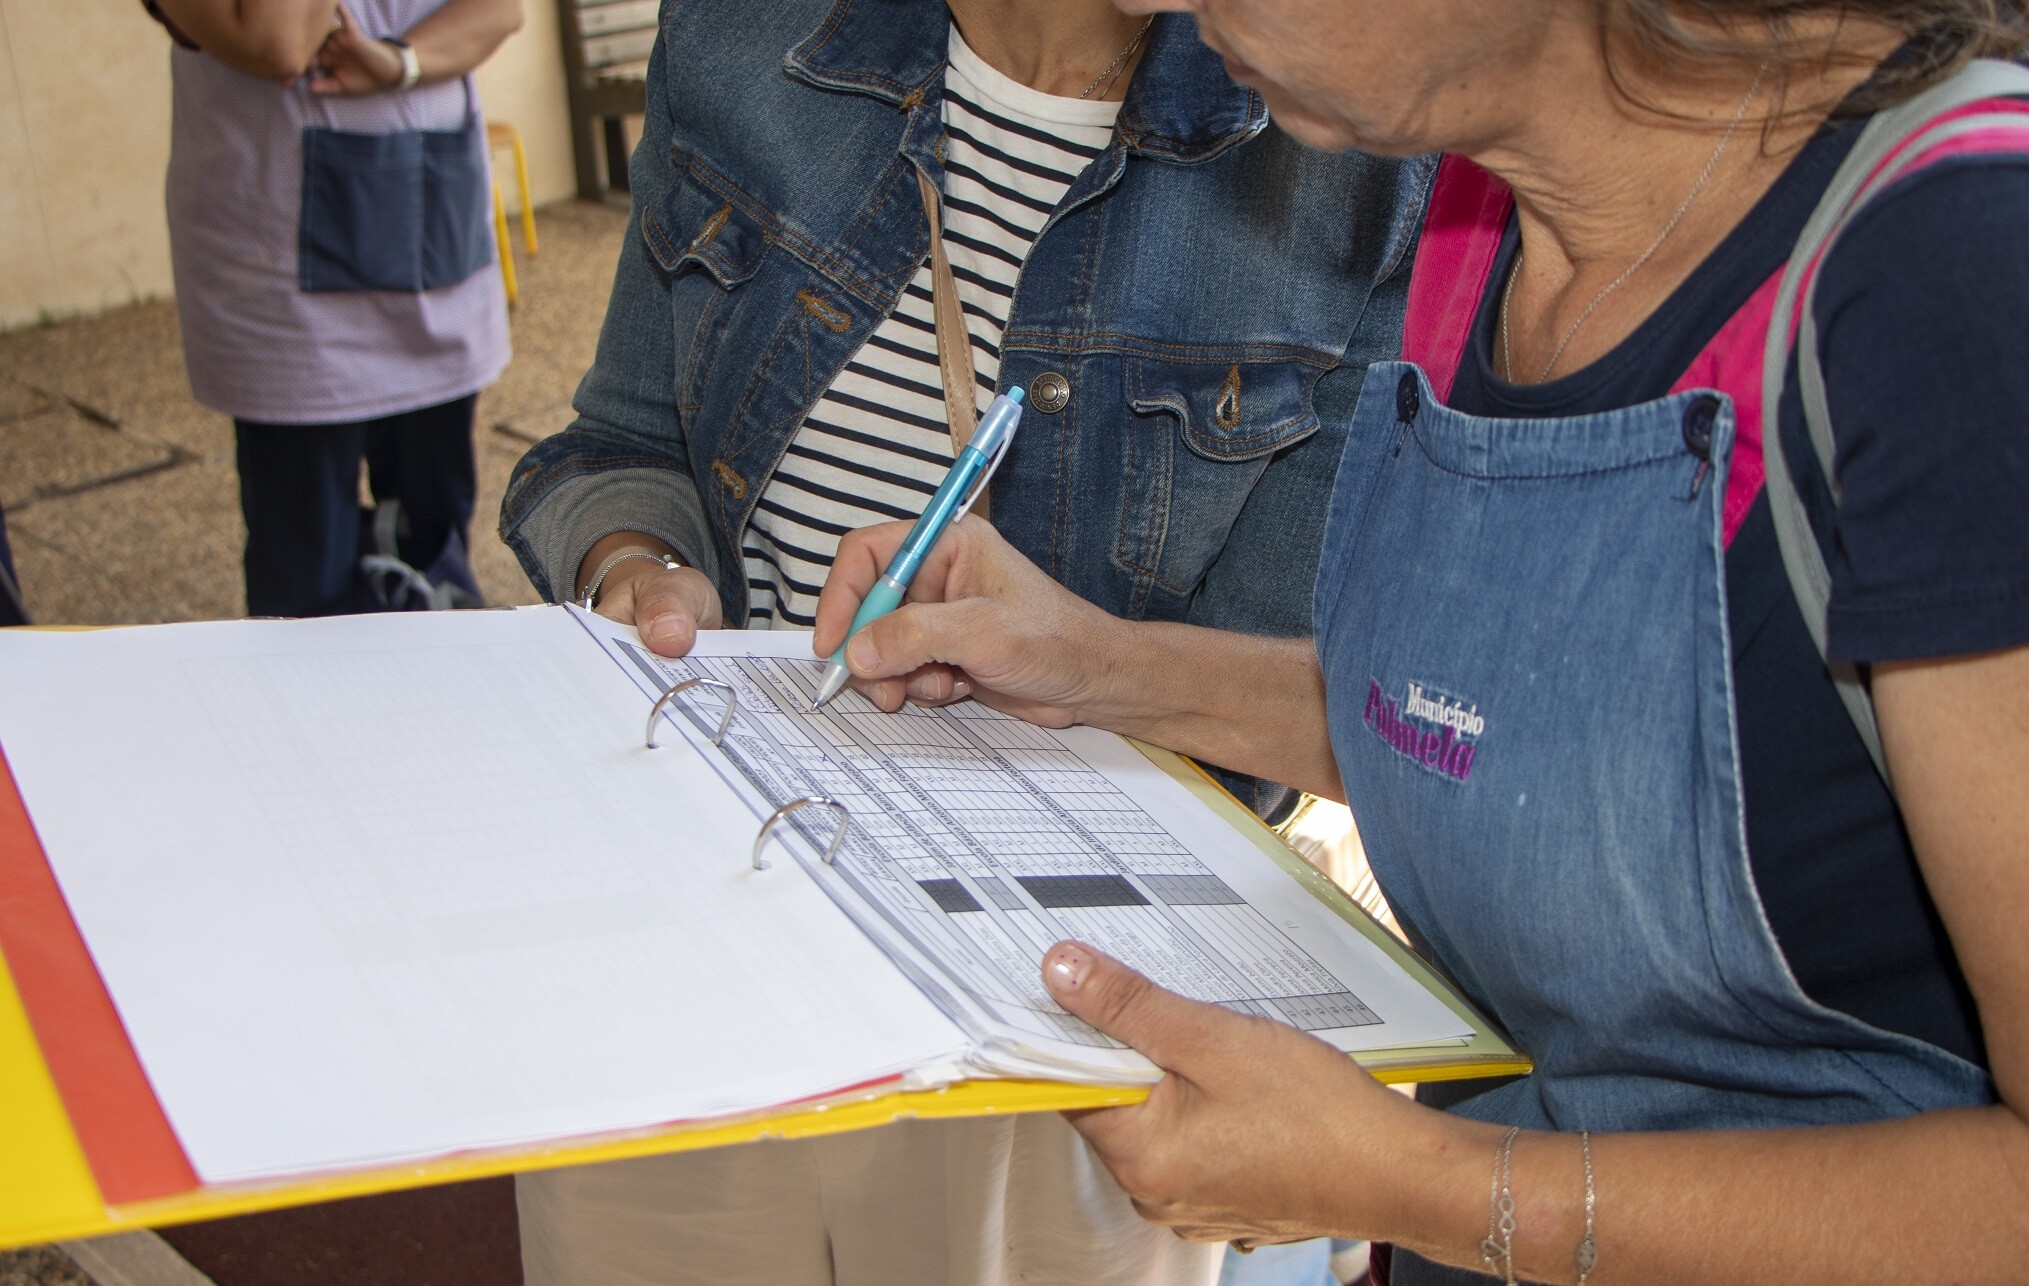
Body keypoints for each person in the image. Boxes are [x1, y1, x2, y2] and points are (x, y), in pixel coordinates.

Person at [813, 1, 2029, 1282]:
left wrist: (1419, 1181)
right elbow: (1497, 724)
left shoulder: (1957, 270)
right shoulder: (1475, 215)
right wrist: (1097, 662)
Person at [498, 0, 1430, 1282]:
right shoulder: (741, 37)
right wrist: (641, 571)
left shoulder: (1356, 138)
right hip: (695, 945)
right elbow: (618, 442)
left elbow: (1283, 713)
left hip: (1051, 1022)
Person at [146, 0, 521, 617]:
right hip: (286, 293)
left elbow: (502, 12)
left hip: (430, 251)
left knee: (434, 556)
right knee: (305, 583)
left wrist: (399, 63)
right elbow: (280, 42)